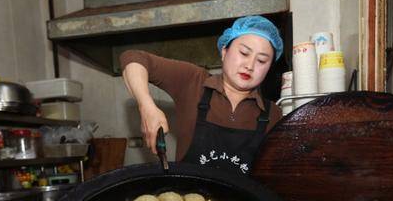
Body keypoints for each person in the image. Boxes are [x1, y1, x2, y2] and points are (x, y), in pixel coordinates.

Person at [120, 15, 283, 175]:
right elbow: (133, 58)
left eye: (261, 61)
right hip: (190, 199)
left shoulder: (273, 114)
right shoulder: (194, 82)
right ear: (225, 51)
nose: (250, 65)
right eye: (244, 53)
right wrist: (146, 106)